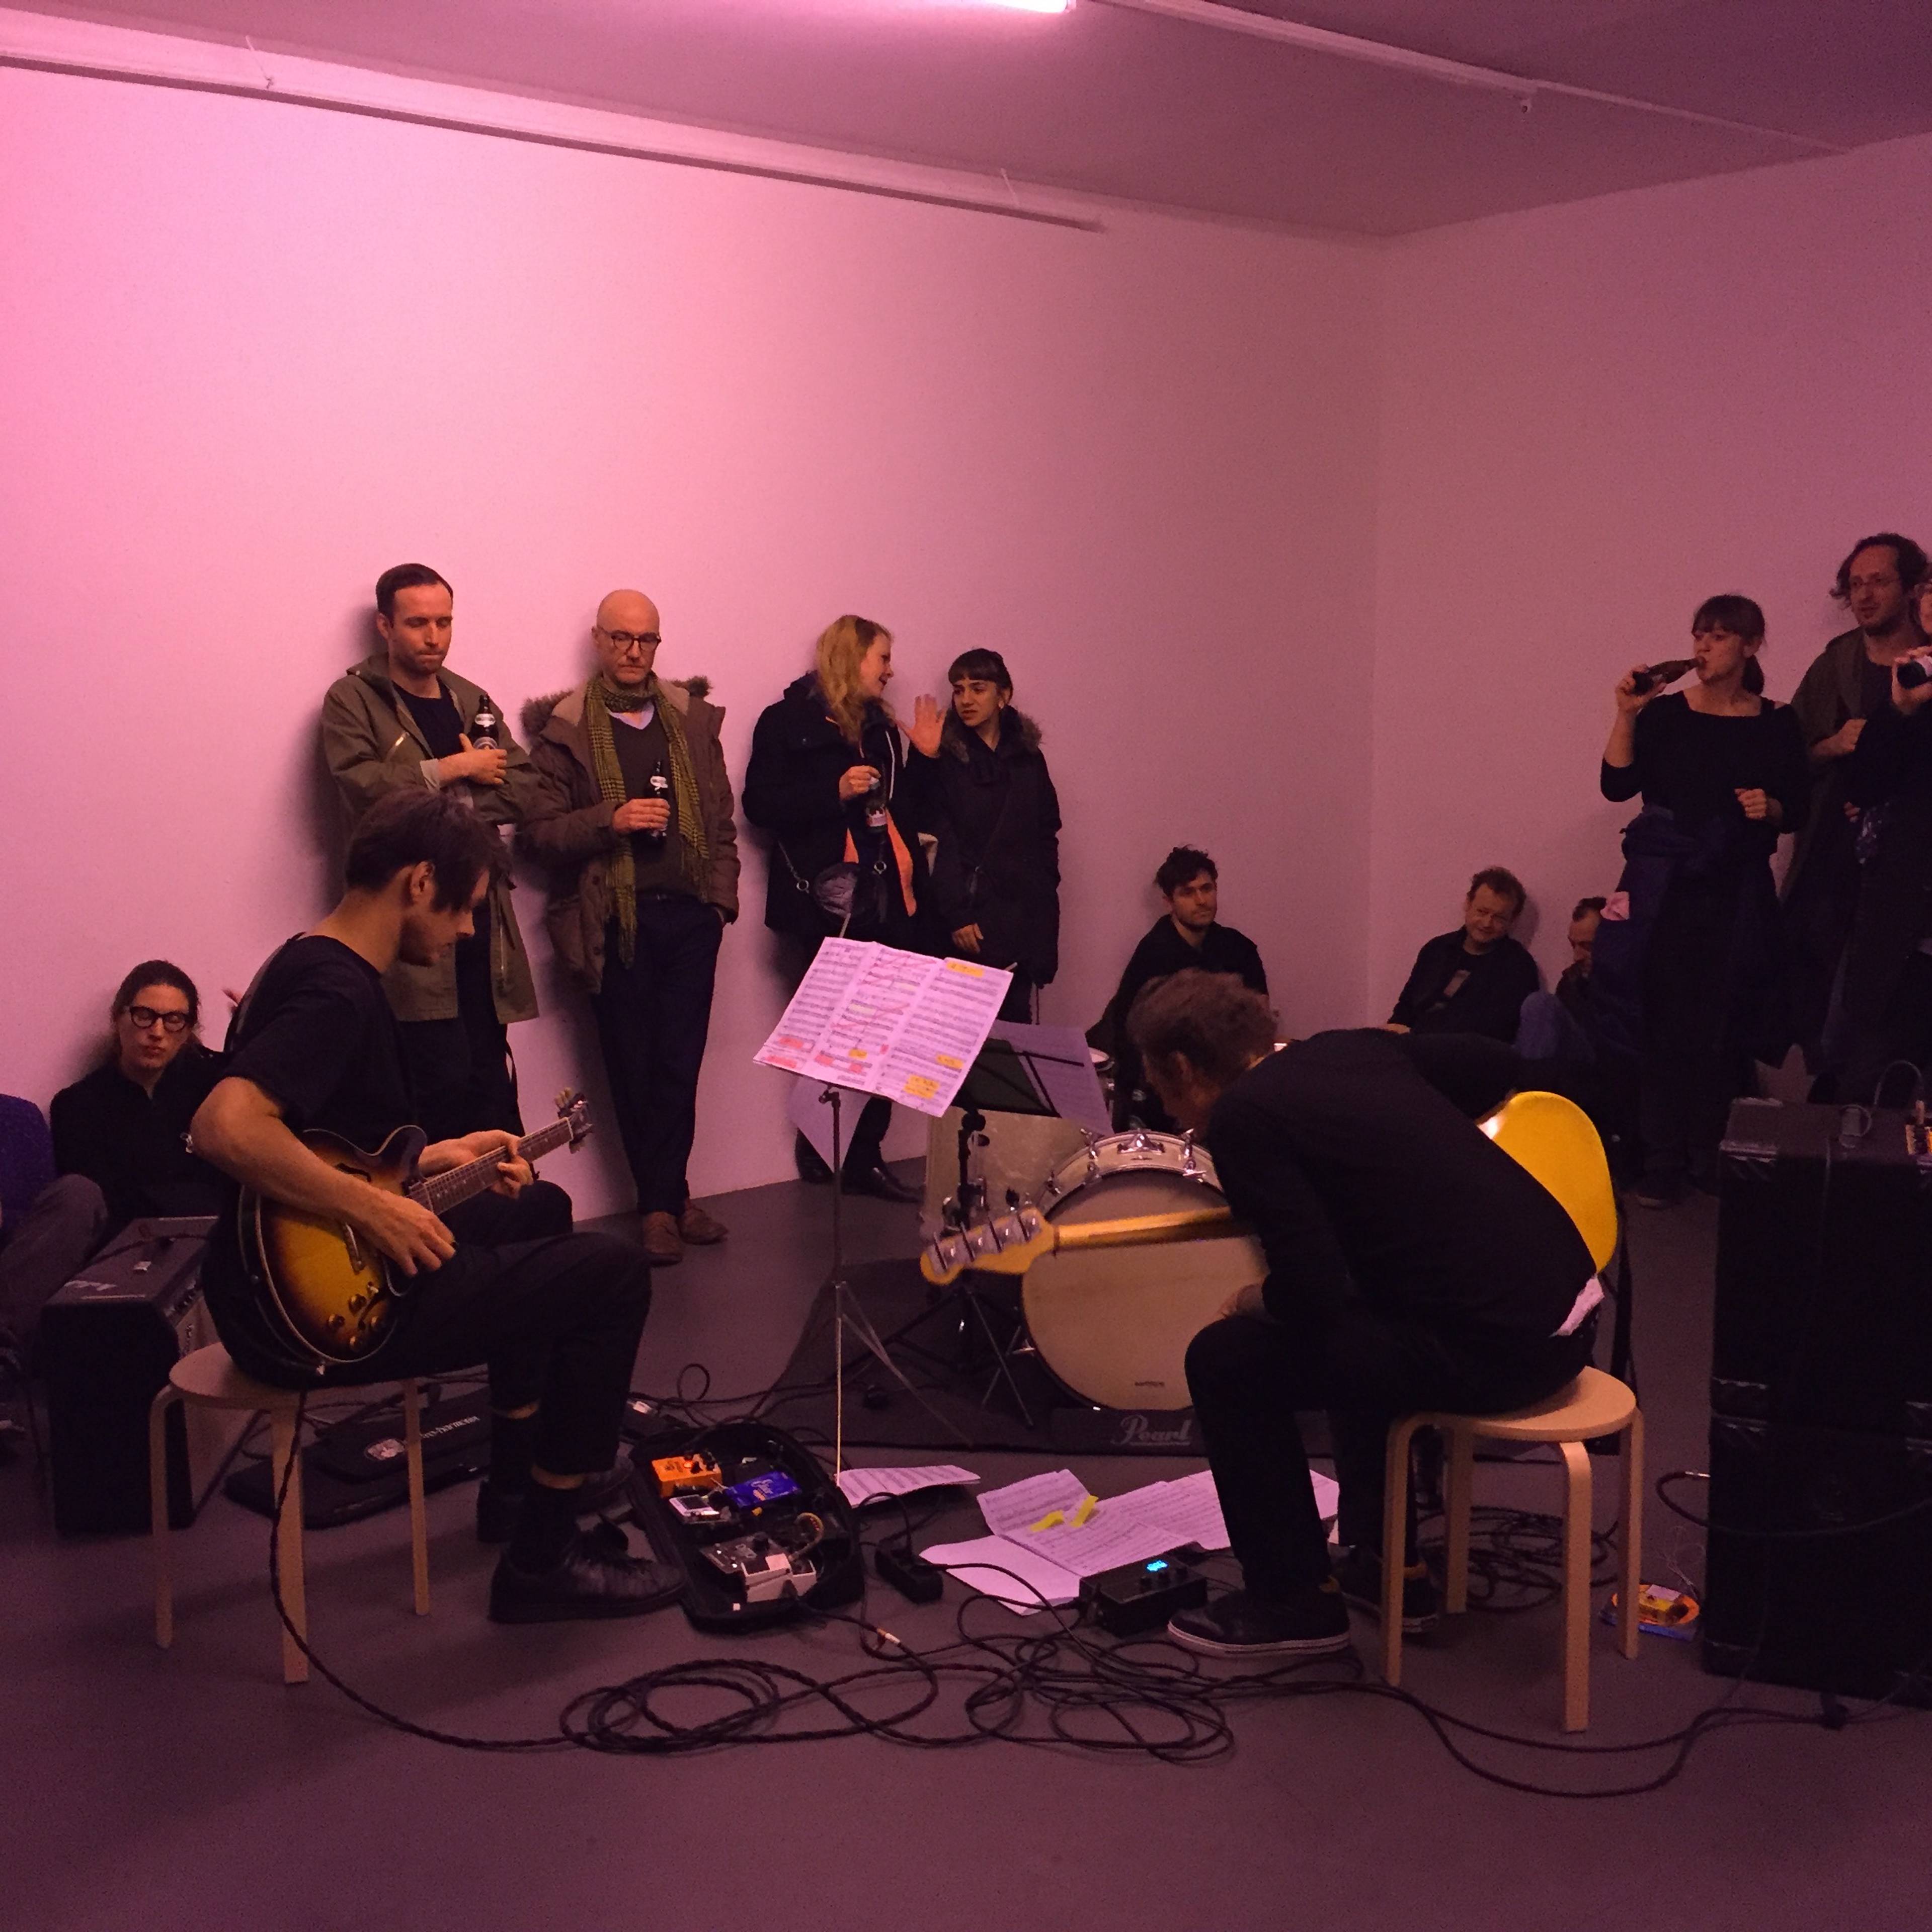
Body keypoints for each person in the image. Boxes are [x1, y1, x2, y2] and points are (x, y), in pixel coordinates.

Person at [191, 790, 677, 1623]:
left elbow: (328, 1140)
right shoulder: (338, 994)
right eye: (463, 910)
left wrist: (431, 1162)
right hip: (309, 1320)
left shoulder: (305, 960)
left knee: (537, 1209)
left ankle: (515, 1488)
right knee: (615, 1273)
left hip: (259, 1288)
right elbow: (224, 1126)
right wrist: (374, 1211)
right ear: (419, 882)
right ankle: (543, 1560)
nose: (465, 932)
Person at [1127, 972, 1599, 1659]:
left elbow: (1310, 1291)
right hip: (1572, 1314)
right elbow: (1495, 1064)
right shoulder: (1349, 1048)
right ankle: (1389, 1569)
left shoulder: (1243, 1117)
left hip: (1503, 1355)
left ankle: (1292, 1601)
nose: (1170, 1112)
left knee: (1226, 1360)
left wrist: (1250, 1302)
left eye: (1161, 1087)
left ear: (1183, 1066)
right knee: (1366, 1316)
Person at [521, 589, 740, 1265]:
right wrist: (609, 821)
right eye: (621, 638)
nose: (634, 652)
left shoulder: (690, 720)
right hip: (613, 921)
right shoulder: (565, 728)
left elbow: (722, 822)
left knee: (679, 1063)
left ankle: (666, 1199)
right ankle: (662, 1205)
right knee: (632, 1066)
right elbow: (537, 833)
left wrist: (718, 905)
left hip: (689, 917)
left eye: (646, 640)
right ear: (598, 639)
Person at [1599, 595, 1808, 1206]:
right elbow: (1617, 784)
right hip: (1667, 891)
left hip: (1736, 890)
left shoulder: (1776, 721)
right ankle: (1662, 1161)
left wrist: (1769, 807)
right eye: (1700, 635)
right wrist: (1627, 713)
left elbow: (1796, 806)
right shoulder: (1666, 713)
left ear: (1750, 645)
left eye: (1719, 636)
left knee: (1724, 1026)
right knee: (1661, 1021)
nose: (1704, 647)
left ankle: (1709, 1155)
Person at [321, 563, 539, 1143]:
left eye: (444, 622)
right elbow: (365, 789)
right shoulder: (352, 698)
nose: (433, 637)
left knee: (489, 1079)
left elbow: (524, 788)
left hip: (482, 919)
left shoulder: (472, 700)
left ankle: (505, 1197)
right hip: (409, 922)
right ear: (385, 626)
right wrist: (454, 768)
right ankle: (438, 1199)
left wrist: (444, 797)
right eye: (418, 623)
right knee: (432, 1082)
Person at [743, 614, 936, 1201]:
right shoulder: (785, 721)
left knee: (887, 1033)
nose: (891, 671)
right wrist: (835, 791)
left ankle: (863, 1155)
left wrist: (926, 759)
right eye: (883, 658)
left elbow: (909, 810)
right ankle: (826, 1148)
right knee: (836, 1033)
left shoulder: (883, 730)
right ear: (853, 658)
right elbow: (759, 805)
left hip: (890, 900)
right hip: (827, 905)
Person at [1, 964, 227, 1369]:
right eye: (144, 1015)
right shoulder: (79, 1104)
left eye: (174, 1020)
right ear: (118, 1018)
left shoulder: (214, 1088)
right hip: (122, 1256)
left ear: (189, 1029)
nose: (157, 1032)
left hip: (209, 1245)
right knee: (78, 1194)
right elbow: (107, 1206)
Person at [1781, 534, 1930, 1073]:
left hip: (1907, 872)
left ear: (1911, 589)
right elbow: (1788, 756)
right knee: (1824, 1003)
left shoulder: (1924, 665)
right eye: (1856, 584)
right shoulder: (1837, 663)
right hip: (1833, 864)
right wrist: (1833, 745)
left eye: (1879, 582)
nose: (1864, 596)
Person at [903, 649, 1061, 1024]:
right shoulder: (944, 754)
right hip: (967, 918)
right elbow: (931, 837)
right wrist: (957, 914)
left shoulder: (1027, 756)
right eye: (959, 690)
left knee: (1014, 1033)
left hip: (1020, 919)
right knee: (957, 1032)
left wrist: (1042, 895)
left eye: (978, 688)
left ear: (1003, 695)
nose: (966, 699)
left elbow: (1045, 831)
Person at [1832, 586, 1932, 1101]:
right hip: (1902, 927)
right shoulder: (1913, 682)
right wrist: (1898, 710)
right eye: (1930, 590)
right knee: (1874, 1083)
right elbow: (1864, 786)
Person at [1089, 846, 1267, 1133]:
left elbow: (1259, 1021)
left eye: (1207, 889)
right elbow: (1134, 1037)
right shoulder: (1153, 954)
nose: (1201, 900)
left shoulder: (1240, 949)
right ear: (1168, 902)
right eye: (1188, 893)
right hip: (1166, 1086)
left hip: (1228, 1079)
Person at [1386, 867, 1540, 1042]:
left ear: (1513, 920)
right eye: (1482, 912)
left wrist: (1416, 1035)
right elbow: (1405, 1008)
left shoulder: (1518, 966)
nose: (1487, 923)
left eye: (1499, 918)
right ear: (1468, 903)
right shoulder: (1436, 950)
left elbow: (1495, 1030)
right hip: (1410, 1046)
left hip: (1464, 1053)